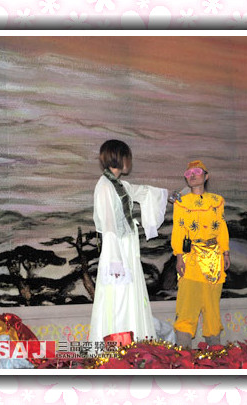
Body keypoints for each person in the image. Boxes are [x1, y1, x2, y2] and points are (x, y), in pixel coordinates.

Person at [89, 139, 168, 345]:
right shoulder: (105, 186)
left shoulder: (120, 185)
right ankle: (117, 345)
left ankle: (135, 342)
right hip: (116, 249)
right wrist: (115, 260)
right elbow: (108, 225)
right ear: (119, 157)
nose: (129, 162)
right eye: (127, 157)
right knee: (118, 299)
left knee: (130, 296)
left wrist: (168, 196)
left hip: (127, 247)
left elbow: (142, 191)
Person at [171, 160, 230, 349]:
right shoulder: (181, 202)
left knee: (211, 306)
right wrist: (179, 256)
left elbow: (222, 227)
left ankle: (215, 350)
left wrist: (225, 253)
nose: (192, 175)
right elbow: (178, 230)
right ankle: (183, 351)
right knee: (187, 304)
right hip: (191, 258)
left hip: (214, 258)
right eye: (188, 173)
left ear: (206, 176)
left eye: (197, 171)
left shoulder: (217, 201)